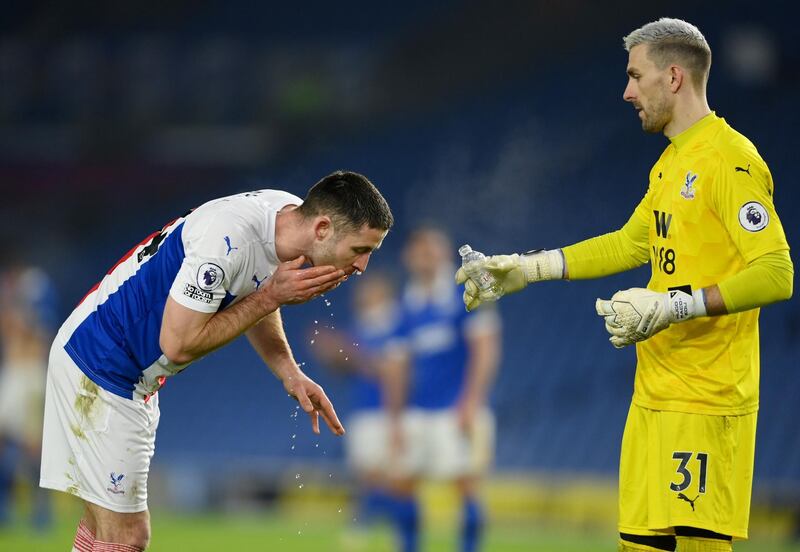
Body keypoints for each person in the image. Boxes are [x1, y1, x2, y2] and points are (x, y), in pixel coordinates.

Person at [457, 18, 793, 552]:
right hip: (652, 398)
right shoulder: (669, 165)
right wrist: (527, 268)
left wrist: (674, 306)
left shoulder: (730, 160)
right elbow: (628, 243)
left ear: (675, 77)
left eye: (636, 76)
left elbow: (777, 273)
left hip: (706, 403)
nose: (627, 91)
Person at [40, 170, 394, 552]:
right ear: (322, 228)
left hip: (111, 365)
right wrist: (270, 297)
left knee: (102, 532)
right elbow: (177, 344)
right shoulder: (226, 241)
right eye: (360, 250)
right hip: (103, 367)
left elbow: (254, 286)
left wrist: (290, 373)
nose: (362, 267)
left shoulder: (282, 215)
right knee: (127, 535)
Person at [385, 226, 501, 552]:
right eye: (420, 251)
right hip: (417, 410)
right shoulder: (405, 305)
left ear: (444, 254)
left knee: (466, 486)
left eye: (432, 250)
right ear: (409, 257)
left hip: (456, 408)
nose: (426, 257)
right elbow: (398, 368)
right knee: (402, 484)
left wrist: (471, 402)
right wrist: (394, 419)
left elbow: (486, 350)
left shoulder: (465, 292)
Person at [308, 272, 410, 549]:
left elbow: (392, 371)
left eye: (370, 292)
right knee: (368, 477)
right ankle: (366, 529)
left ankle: (391, 533)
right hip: (365, 411)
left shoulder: (398, 325)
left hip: (389, 413)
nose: (363, 297)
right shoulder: (362, 328)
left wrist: (348, 352)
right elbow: (354, 368)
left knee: (394, 478)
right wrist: (332, 354)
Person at [0, 262, 58, 529]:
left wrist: (20, 305)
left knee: (34, 448)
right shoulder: (10, 296)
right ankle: (5, 507)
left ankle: (41, 511)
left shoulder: (39, 290)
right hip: (12, 374)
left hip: (33, 375)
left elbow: (38, 333)